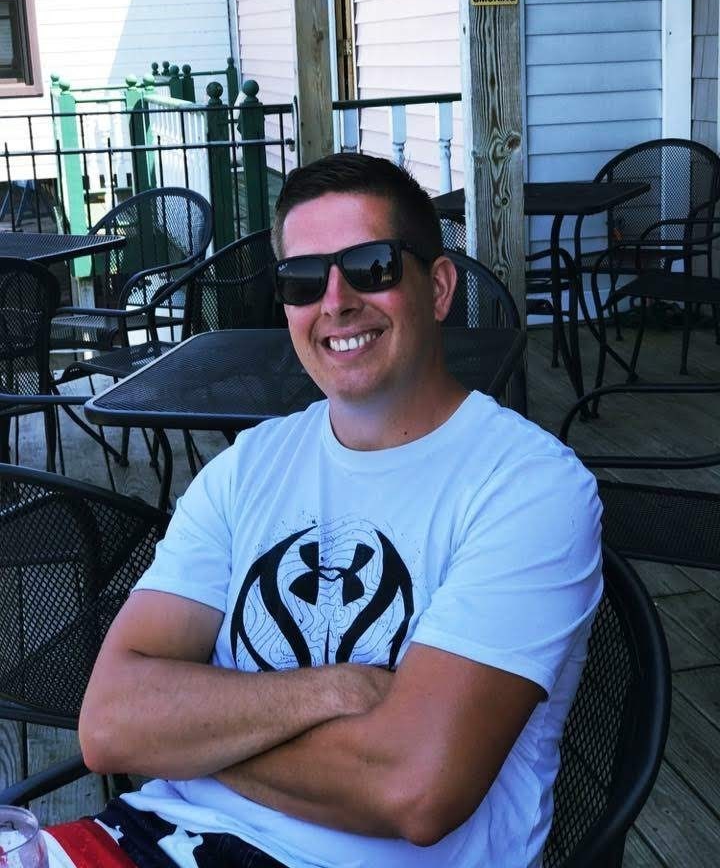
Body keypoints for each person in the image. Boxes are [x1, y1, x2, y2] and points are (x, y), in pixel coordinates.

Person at [44, 153, 602, 868]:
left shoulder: (528, 486)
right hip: (152, 837)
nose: (335, 302)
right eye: (303, 280)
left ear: (437, 288)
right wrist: (334, 690)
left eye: (371, 267)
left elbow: (412, 790)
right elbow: (110, 723)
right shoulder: (246, 467)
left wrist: (188, 737)